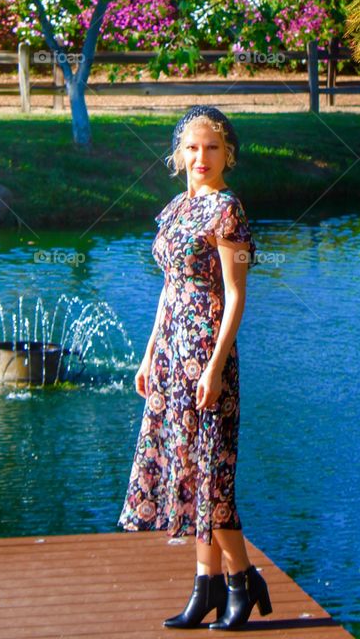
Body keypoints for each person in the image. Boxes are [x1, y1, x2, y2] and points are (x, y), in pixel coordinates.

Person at [117, 105, 272, 630]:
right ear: (178, 153)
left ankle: (241, 581)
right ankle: (206, 586)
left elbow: (236, 296)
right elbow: (168, 289)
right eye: (192, 147)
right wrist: (147, 354)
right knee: (187, 472)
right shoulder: (176, 209)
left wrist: (214, 365)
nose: (201, 157)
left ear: (228, 153)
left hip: (208, 356)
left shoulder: (228, 211)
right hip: (169, 357)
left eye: (212, 147)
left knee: (213, 477)